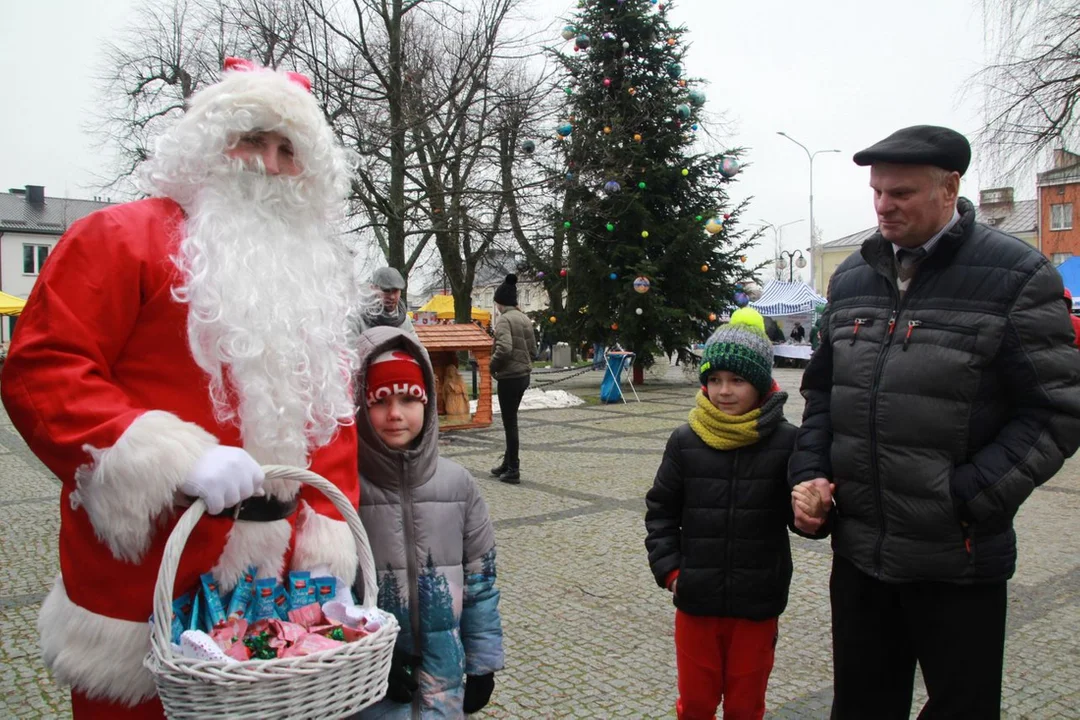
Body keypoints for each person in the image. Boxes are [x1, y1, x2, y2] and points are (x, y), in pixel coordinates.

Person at [0, 59, 363, 718]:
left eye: (289, 151)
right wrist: (170, 455)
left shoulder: (313, 285)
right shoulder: (119, 238)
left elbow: (332, 425)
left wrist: (329, 541)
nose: (270, 164)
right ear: (209, 143)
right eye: (252, 140)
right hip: (149, 587)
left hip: (279, 600)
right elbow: (44, 368)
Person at [790, 125, 1080, 719]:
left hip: (959, 559)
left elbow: (1056, 410)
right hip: (862, 554)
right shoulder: (851, 278)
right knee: (863, 708)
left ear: (950, 188)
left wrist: (966, 497)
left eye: (901, 193)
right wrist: (812, 472)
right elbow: (822, 392)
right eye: (876, 192)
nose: (883, 206)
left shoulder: (1016, 275)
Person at [645, 307, 828, 720]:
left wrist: (814, 515)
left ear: (760, 384)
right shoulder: (685, 439)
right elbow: (660, 512)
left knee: (746, 706)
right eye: (714, 379)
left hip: (756, 604)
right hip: (696, 600)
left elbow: (805, 519)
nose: (724, 391)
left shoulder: (787, 442)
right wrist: (672, 572)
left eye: (737, 380)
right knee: (695, 704)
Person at [352, 326, 504, 718]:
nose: (395, 413)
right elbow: (328, 597)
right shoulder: (345, 488)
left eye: (409, 398)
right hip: (367, 689)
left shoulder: (459, 486)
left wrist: (482, 662)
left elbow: (480, 582)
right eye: (380, 400)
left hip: (443, 680)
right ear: (359, 405)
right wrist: (365, 663)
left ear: (429, 401)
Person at [489, 274, 536, 484]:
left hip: (509, 376)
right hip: (523, 375)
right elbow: (534, 349)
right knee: (511, 420)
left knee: (510, 423)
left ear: (500, 303)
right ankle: (507, 463)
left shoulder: (504, 320)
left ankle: (513, 468)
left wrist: (493, 366)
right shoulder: (524, 318)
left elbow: (504, 349)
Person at [357, 266, 416, 335]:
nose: (392, 296)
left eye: (395, 291)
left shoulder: (405, 321)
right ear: (372, 289)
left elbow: (415, 345)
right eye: (386, 290)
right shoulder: (357, 319)